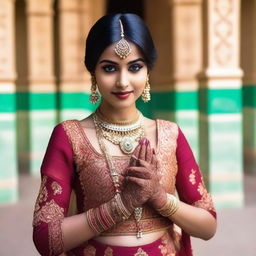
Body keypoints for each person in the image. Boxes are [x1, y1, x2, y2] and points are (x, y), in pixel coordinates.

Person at [32, 13, 217, 256]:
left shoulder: (170, 135)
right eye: (109, 68)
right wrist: (121, 204)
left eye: (135, 67)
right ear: (93, 72)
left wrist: (160, 199)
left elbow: (208, 226)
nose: (122, 81)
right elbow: (46, 239)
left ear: (147, 71)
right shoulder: (69, 136)